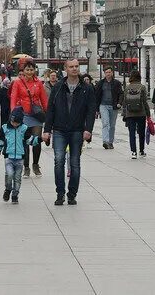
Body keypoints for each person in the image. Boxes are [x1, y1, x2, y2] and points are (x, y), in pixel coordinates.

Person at [42, 58, 96, 206]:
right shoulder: (59, 86)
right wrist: (47, 130)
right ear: (65, 68)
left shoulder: (86, 88)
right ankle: (60, 193)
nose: (74, 69)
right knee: (58, 161)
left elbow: (91, 111)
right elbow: (50, 109)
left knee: (74, 163)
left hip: (77, 130)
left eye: (77, 66)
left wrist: (88, 129)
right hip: (59, 129)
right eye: (71, 66)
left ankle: (72, 194)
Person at [9, 61, 48, 177]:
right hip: (23, 115)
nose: (30, 72)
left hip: (36, 115)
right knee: (25, 142)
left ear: (34, 70)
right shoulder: (17, 83)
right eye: (27, 70)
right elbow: (13, 98)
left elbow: (44, 99)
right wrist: (13, 114)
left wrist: (49, 114)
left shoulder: (39, 83)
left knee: (36, 140)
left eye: (32, 70)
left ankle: (35, 165)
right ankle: (26, 167)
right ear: (23, 71)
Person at [0, 106, 40, 203]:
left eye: (17, 123)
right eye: (13, 122)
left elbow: (29, 140)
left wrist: (39, 140)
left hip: (20, 158)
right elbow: (0, 140)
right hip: (9, 157)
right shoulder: (5, 128)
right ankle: (8, 189)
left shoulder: (24, 129)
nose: (14, 124)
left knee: (17, 178)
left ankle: (15, 194)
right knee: (9, 174)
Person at [121, 70, 150, 158]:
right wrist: (148, 114)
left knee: (131, 133)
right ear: (139, 77)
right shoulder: (142, 87)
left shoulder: (127, 87)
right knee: (141, 133)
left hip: (130, 114)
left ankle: (133, 152)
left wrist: (124, 114)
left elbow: (125, 102)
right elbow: (145, 102)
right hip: (141, 113)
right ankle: (141, 151)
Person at [94, 67, 123, 149]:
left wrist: (119, 103)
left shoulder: (117, 83)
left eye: (109, 72)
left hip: (113, 106)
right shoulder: (100, 83)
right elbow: (96, 96)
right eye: (106, 72)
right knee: (105, 123)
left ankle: (110, 141)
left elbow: (121, 93)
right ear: (104, 73)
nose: (108, 74)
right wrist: (96, 109)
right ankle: (105, 141)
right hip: (103, 105)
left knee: (112, 125)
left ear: (112, 73)